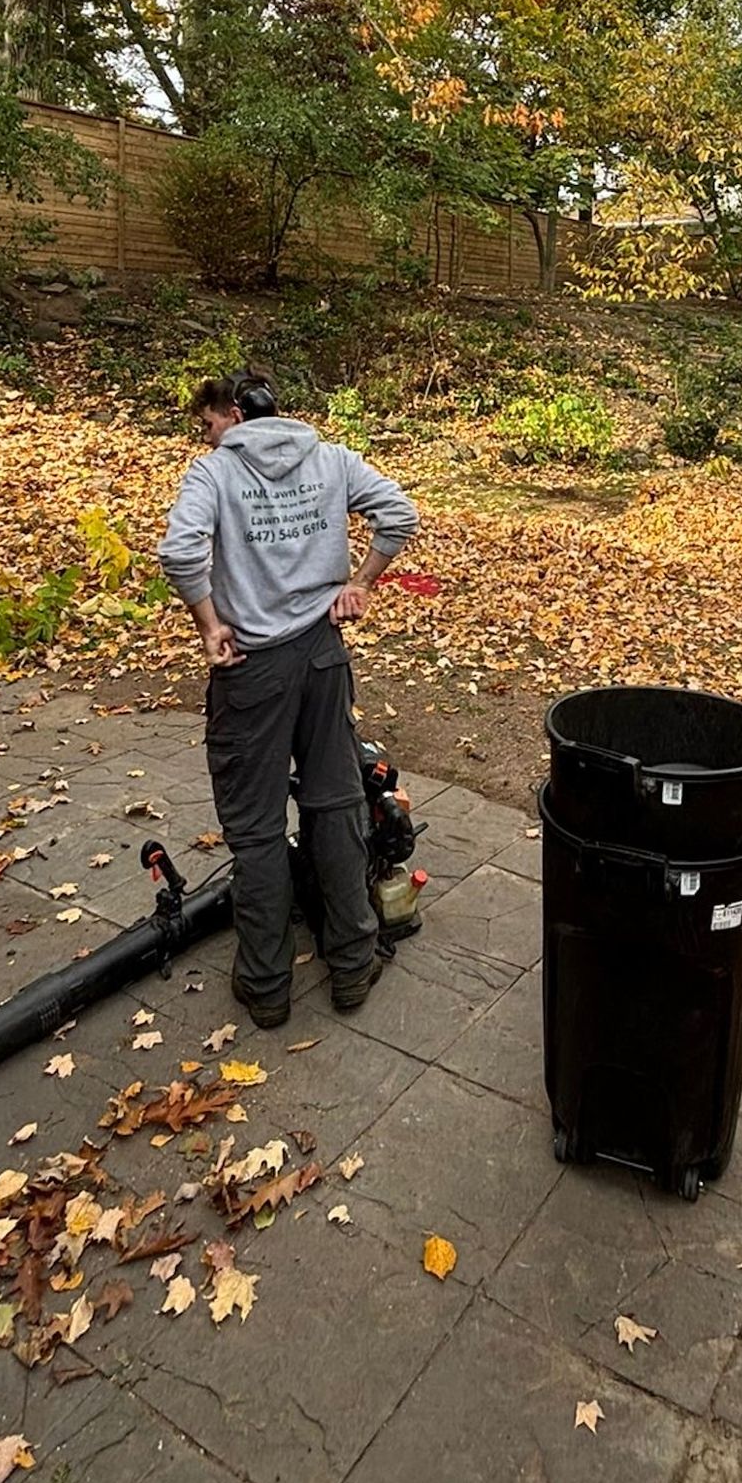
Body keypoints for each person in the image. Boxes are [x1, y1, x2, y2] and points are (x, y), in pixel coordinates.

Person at [158, 371, 419, 1029]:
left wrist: (210, 625)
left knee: (256, 828)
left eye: (211, 423)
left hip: (253, 672)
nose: (208, 437)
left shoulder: (212, 476)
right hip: (324, 657)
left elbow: (180, 553)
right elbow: (399, 514)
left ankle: (268, 986)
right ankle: (353, 962)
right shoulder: (331, 461)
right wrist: (357, 582)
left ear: (237, 414)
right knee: (335, 804)